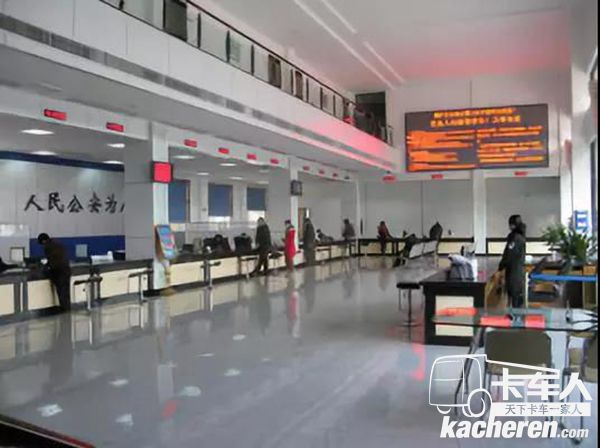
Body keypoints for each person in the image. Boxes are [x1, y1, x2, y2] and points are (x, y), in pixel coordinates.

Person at [37, 233, 71, 311]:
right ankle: (67, 308)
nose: (42, 246)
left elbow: (51, 260)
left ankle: (64, 309)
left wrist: (46, 267)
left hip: (59, 272)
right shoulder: (58, 243)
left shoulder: (47, 246)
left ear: (43, 241)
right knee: (66, 292)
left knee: (61, 291)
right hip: (66, 270)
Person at [498, 215, 527, 308]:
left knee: (514, 294)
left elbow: (509, 254)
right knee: (516, 295)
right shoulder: (520, 236)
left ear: (512, 225)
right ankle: (516, 314)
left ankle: (514, 314)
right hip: (518, 270)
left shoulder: (515, 237)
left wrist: (501, 266)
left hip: (514, 271)